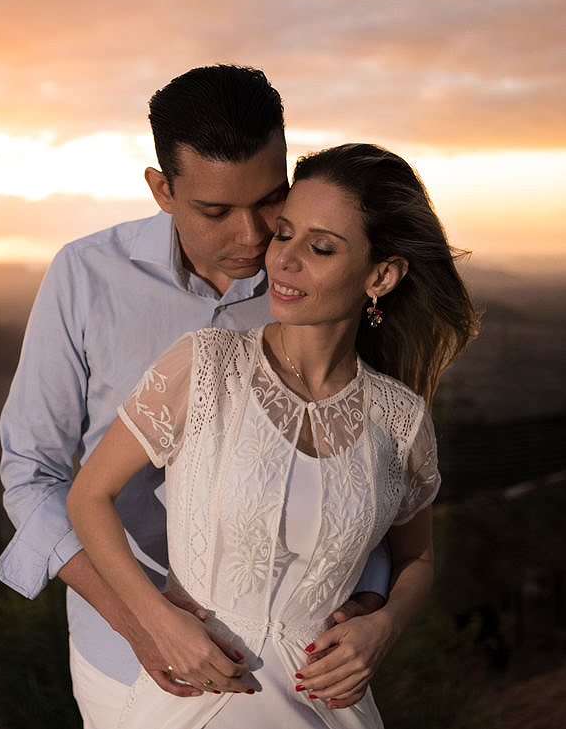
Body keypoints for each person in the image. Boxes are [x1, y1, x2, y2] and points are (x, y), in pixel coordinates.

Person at [0, 66, 395, 727]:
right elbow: (30, 474)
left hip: (295, 654)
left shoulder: (327, 281)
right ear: (162, 189)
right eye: (215, 211)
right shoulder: (85, 274)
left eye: (271, 200)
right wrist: (140, 621)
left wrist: (369, 599)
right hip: (123, 655)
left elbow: (361, 465)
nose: (251, 235)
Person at [68, 143, 479, 727]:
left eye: (321, 247)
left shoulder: (401, 419)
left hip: (329, 710)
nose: (284, 260)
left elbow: (418, 558)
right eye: (284, 234)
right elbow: (87, 496)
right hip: (199, 698)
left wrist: (384, 627)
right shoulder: (205, 367)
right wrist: (156, 620)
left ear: (381, 276)